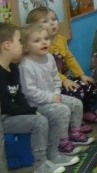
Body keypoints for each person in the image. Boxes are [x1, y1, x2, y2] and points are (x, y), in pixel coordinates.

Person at [0, 22, 68, 173]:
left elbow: (19, 96)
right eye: (19, 41)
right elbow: (5, 106)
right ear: (7, 46)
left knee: (53, 113)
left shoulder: (13, 67)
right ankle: (40, 164)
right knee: (39, 122)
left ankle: (53, 154)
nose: (22, 45)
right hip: (0, 119)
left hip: (15, 113)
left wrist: (30, 111)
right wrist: (31, 112)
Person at [19, 23, 91, 157]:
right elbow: (29, 92)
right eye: (37, 41)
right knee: (62, 111)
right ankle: (62, 142)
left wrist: (57, 93)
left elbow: (56, 78)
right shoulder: (25, 66)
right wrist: (51, 98)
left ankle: (75, 133)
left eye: (46, 38)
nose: (44, 42)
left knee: (76, 104)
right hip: (36, 104)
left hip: (53, 97)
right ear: (25, 46)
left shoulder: (49, 57)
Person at [25, 6, 97, 122]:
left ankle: (85, 111)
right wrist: (64, 80)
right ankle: (71, 120)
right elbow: (49, 71)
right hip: (54, 83)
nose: (52, 23)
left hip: (65, 78)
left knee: (90, 85)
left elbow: (70, 59)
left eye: (54, 19)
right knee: (76, 91)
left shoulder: (61, 39)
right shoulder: (41, 48)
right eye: (45, 21)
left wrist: (81, 75)